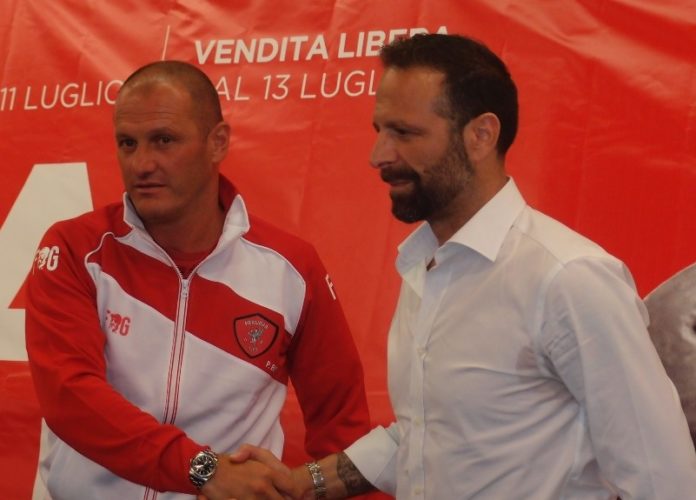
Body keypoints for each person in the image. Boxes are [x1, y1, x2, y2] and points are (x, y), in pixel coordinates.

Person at [235, 33, 696, 499]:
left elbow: (663, 481)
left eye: (405, 133)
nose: (379, 156)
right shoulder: (425, 265)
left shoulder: (568, 278)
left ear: (481, 135)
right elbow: (425, 436)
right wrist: (301, 483)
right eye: (380, 130)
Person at [25, 60, 371, 500]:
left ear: (217, 142)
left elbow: (344, 430)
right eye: (127, 143)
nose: (142, 163)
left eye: (164, 140)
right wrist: (203, 469)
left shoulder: (291, 268)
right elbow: (70, 398)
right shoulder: (76, 248)